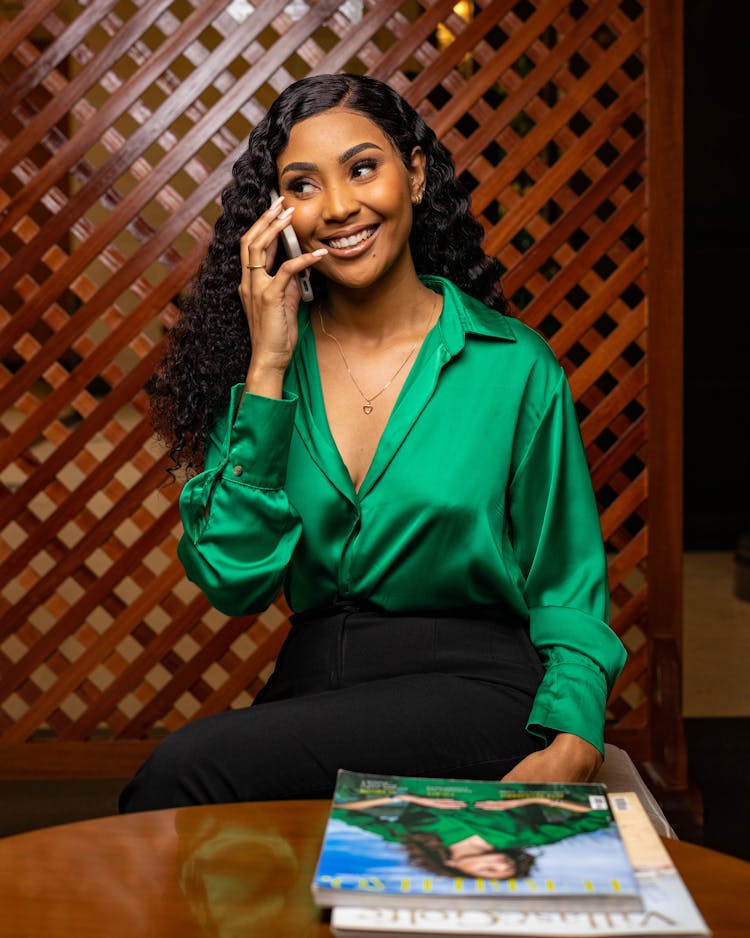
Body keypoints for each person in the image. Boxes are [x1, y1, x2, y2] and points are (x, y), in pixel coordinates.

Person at [119, 73, 626, 813]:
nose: (339, 207)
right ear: (278, 214)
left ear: (415, 175)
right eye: (303, 184)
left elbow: (567, 581)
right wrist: (265, 363)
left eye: (362, 168)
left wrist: (575, 737)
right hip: (315, 682)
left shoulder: (513, 364)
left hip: (476, 686)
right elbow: (231, 578)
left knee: (184, 771)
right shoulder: (270, 373)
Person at [331, 788, 608, 880]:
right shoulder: (526, 838)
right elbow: (597, 813)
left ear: (451, 866)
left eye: (489, 871)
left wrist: (409, 798)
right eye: (507, 868)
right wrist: (530, 799)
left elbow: (343, 809)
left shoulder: (414, 837)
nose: (502, 865)